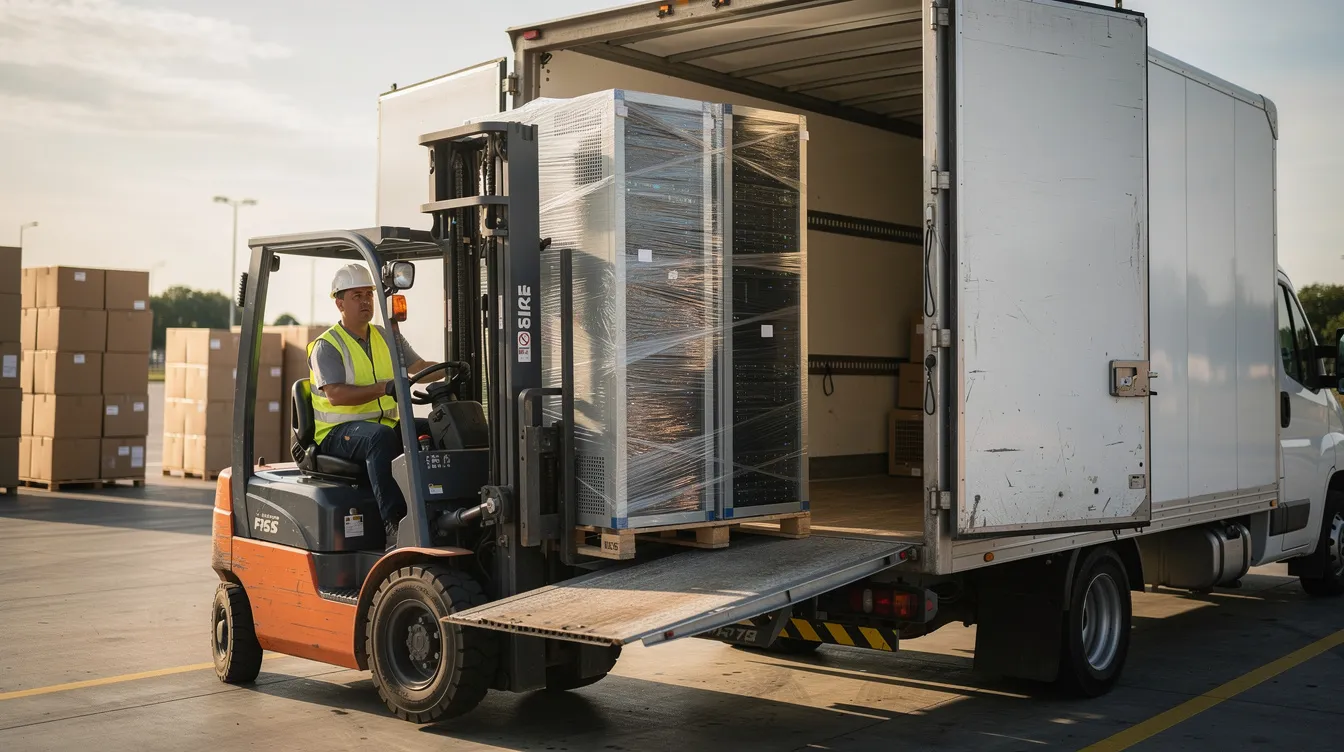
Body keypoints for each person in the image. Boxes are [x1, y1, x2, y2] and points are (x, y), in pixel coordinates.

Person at [307, 263, 438, 548]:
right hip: (336, 434)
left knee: (436, 426)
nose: (366, 301)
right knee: (380, 438)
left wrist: (454, 368)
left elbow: (419, 367)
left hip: (380, 425)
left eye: (368, 294)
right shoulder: (327, 345)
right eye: (357, 296)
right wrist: (383, 387)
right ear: (339, 302)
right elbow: (336, 395)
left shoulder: (385, 336)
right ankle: (394, 523)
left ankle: (438, 510)